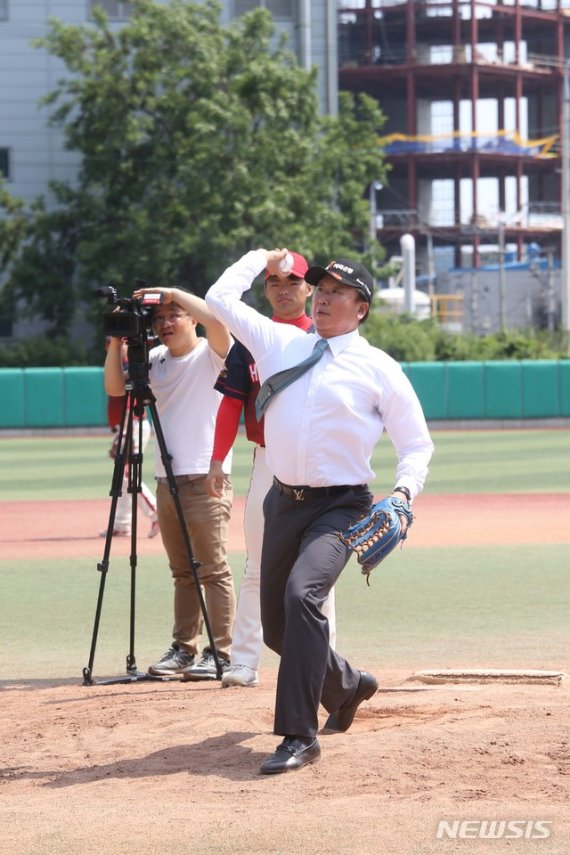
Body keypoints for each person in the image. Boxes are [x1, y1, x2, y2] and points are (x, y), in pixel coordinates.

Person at [206, 248, 434, 774]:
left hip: (342, 506)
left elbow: (416, 445)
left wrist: (403, 494)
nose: (326, 297)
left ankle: (297, 735)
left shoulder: (378, 367)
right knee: (277, 630)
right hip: (283, 501)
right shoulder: (281, 340)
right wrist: (258, 256)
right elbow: (220, 299)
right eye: (323, 288)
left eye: (340, 292)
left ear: (361, 309)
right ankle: (349, 686)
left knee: (302, 594)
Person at [205, 252, 337, 690]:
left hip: (316, 464)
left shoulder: (329, 336)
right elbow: (231, 402)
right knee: (258, 565)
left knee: (319, 568)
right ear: (265, 289)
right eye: (275, 281)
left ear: (308, 288)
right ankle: (243, 661)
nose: (284, 289)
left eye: (293, 281)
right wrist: (217, 460)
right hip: (267, 459)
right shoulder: (252, 338)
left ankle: (324, 662)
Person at [104, 288, 236, 681]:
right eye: (158, 318)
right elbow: (115, 388)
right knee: (182, 572)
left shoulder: (210, 354)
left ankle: (221, 652)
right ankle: (183, 648)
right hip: (167, 477)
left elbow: (217, 321)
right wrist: (116, 341)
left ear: (191, 318)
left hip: (206, 476)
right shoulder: (155, 360)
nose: (164, 323)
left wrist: (173, 292)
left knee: (212, 569)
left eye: (173, 315)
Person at [100, 338, 159, 539]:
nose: (119, 346)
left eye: (123, 343)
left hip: (133, 424)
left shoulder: (129, 367)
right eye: (112, 343)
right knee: (123, 477)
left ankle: (156, 513)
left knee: (127, 475)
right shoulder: (115, 367)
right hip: (127, 426)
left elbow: (130, 404)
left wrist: (123, 435)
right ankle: (122, 524)